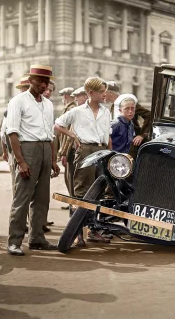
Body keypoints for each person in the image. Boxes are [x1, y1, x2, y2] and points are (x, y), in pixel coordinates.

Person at [6, 65, 60, 256]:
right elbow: (12, 132)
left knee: (42, 198)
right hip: (27, 148)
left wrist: (53, 159)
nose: (43, 85)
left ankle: (37, 238)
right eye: (39, 81)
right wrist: (20, 161)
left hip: (45, 149)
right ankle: (14, 241)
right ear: (30, 80)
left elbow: (50, 134)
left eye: (46, 81)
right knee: (22, 197)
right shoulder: (18, 101)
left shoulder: (48, 104)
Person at [54, 77, 111, 243]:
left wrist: (109, 153)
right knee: (81, 193)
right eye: (101, 91)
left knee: (98, 192)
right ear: (91, 93)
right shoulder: (78, 111)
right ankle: (77, 232)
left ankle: (93, 231)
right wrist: (73, 136)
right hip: (85, 151)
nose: (104, 94)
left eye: (105, 91)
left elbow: (108, 135)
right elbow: (58, 124)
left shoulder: (106, 112)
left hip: (102, 151)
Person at [59, 87, 87, 198]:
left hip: (75, 150)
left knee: (72, 179)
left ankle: (74, 205)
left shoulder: (75, 110)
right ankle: (74, 204)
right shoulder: (76, 109)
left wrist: (64, 152)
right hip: (75, 149)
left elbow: (70, 135)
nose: (75, 99)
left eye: (77, 97)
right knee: (71, 179)